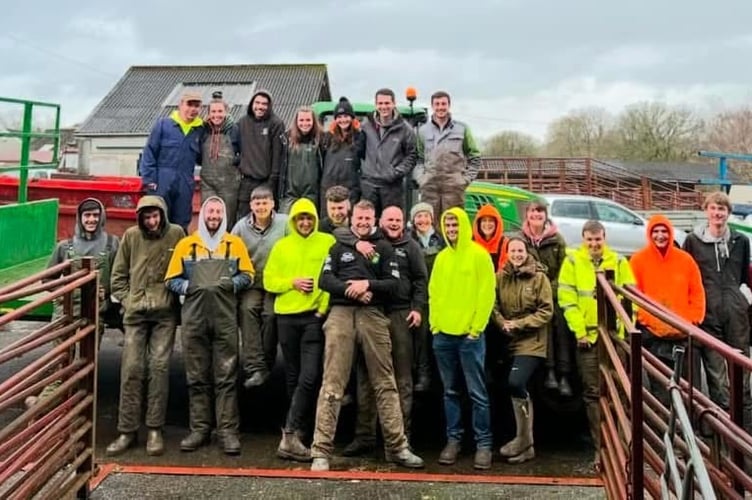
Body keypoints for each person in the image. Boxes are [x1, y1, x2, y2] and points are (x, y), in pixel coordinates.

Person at [310, 200, 424, 472]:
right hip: (340, 314)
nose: (362, 222)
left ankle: (397, 448)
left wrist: (368, 285)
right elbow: (324, 280)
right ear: (352, 219)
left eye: (367, 218)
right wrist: (351, 289)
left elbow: (395, 284)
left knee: (385, 382)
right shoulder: (338, 247)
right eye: (358, 218)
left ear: (374, 220)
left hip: (373, 316)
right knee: (332, 383)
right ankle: (321, 450)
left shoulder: (384, 248)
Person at [165, 196, 254, 455]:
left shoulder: (234, 244)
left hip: (225, 318)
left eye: (218, 211)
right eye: (210, 211)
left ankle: (227, 432)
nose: (213, 215)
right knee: (196, 377)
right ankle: (199, 430)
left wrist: (230, 284)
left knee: (226, 376)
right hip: (194, 318)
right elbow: (171, 279)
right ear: (202, 214)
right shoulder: (187, 244)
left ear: (223, 215)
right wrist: (189, 286)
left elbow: (248, 275)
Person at [343, 205, 428, 456]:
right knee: (366, 377)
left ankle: (402, 440)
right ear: (381, 221)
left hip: (401, 314)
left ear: (404, 222)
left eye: (398, 220)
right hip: (374, 312)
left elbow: (421, 280)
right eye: (389, 219)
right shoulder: (370, 242)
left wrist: (418, 308)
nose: (393, 223)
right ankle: (365, 436)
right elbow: (342, 232)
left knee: (402, 378)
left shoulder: (410, 246)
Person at [106, 195, 185, 457]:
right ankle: (126, 430)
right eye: (147, 217)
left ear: (162, 214)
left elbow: (185, 268)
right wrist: (129, 301)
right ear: (140, 218)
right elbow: (117, 277)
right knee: (131, 369)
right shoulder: (131, 237)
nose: (152, 221)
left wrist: (174, 297)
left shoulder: (176, 233)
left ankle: (154, 429)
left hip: (164, 313)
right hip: (136, 313)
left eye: (155, 216)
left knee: (159, 369)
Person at [26, 197, 120, 407]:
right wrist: (63, 293)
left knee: (86, 364)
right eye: (87, 215)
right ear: (79, 218)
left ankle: (66, 406)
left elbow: (120, 277)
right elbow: (48, 280)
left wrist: (108, 294)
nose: (91, 219)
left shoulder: (113, 244)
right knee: (61, 363)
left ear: (101, 217)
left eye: (95, 215)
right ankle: (46, 406)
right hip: (65, 315)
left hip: (94, 314)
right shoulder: (65, 247)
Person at [558, 220, 635, 467]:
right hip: (588, 338)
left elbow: (630, 298)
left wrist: (623, 332)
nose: (594, 244)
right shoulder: (572, 262)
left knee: (619, 393)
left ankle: (622, 447)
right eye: (589, 240)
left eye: (598, 239)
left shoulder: (620, 262)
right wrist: (579, 331)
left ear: (604, 238)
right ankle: (600, 448)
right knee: (592, 394)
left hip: (614, 337)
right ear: (583, 239)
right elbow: (567, 299)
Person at [263, 198, 335, 462]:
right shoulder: (282, 246)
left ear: (315, 219)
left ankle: (289, 430)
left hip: (313, 318)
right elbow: (269, 279)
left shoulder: (326, 242)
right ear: (293, 220)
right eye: (300, 219)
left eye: (309, 218)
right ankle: (298, 432)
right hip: (286, 318)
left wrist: (321, 310)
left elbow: (332, 277)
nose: (305, 223)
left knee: (310, 376)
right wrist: (291, 282)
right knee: (293, 377)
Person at [429, 207, 496, 470]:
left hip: (470, 336)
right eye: (448, 227)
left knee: (477, 392)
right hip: (443, 335)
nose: (452, 231)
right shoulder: (442, 258)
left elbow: (486, 293)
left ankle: (484, 444)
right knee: (450, 391)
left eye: (456, 226)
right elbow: (433, 292)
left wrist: (476, 328)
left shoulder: (479, 256)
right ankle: (453, 440)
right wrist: (435, 325)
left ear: (465, 227)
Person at [683, 191, 752, 432]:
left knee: (742, 366)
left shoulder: (741, 241)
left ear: (728, 213)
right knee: (715, 369)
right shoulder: (693, 241)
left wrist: (740, 300)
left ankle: (743, 426)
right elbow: (688, 275)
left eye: (722, 209)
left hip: (735, 310)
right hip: (708, 309)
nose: (717, 213)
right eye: (713, 208)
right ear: (706, 211)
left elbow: (743, 275)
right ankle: (720, 426)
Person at [630, 215, 705, 406]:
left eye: (664, 231)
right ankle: (662, 431)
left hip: (683, 334)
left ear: (670, 233)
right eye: (656, 231)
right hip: (653, 335)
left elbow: (696, 292)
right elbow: (634, 297)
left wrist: (693, 320)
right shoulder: (638, 261)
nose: (660, 235)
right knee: (660, 390)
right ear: (649, 233)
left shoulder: (685, 260)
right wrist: (650, 321)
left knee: (688, 389)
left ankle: (690, 430)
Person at [491, 236, 553, 464]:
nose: (516, 255)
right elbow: (493, 304)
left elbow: (546, 311)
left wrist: (518, 324)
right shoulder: (501, 277)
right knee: (509, 387)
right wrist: (502, 323)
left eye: (520, 251)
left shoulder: (539, 278)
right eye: (512, 251)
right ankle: (526, 446)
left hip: (532, 340)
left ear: (526, 252)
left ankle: (523, 439)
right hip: (508, 340)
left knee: (516, 382)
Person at [231, 185, 288, 388]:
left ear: (273, 204)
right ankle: (254, 367)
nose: (261, 207)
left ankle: (267, 363)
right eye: (257, 203)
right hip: (252, 282)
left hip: (276, 281)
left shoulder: (285, 223)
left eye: (265, 202)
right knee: (247, 310)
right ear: (251, 205)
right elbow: (231, 255)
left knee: (271, 315)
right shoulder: (240, 227)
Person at [517, 200, 571, 396]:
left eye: (540, 213)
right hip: (531, 295)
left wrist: (550, 290)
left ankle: (564, 373)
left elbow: (564, 270)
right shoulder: (521, 239)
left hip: (554, 292)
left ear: (545, 216)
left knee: (560, 324)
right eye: (533, 212)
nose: (536, 216)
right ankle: (548, 371)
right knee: (543, 324)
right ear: (527, 215)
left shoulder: (557, 240)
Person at [140, 90, 204, 232]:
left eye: (197, 106)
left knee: (181, 223)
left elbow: (203, 157)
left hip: (185, 182)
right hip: (161, 182)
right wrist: (149, 180)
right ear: (180, 105)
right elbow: (149, 152)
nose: (193, 109)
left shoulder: (200, 130)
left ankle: (178, 252)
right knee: (158, 221)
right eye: (190, 104)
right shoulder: (164, 125)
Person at [414, 91, 482, 219]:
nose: (440, 107)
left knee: (453, 225)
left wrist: (464, 180)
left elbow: (475, 157)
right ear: (432, 106)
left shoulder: (462, 129)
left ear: (449, 105)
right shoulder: (423, 131)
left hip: (454, 188)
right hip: (429, 188)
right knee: (429, 225)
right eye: (437, 104)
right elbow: (419, 159)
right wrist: (421, 179)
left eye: (443, 104)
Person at [358, 88, 417, 215]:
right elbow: (359, 150)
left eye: (387, 103)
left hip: (391, 187)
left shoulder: (405, 129)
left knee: (391, 223)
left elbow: (411, 156)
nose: (383, 107)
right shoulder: (365, 125)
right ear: (376, 104)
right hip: (369, 186)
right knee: (368, 223)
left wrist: (396, 172)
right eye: (380, 103)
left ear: (394, 104)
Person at [235, 89, 286, 221]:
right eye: (257, 102)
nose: (260, 107)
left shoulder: (276, 123)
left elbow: (277, 154)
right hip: (246, 181)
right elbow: (234, 146)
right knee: (243, 219)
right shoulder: (242, 123)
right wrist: (239, 162)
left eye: (264, 104)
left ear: (269, 106)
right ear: (252, 104)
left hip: (266, 181)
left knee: (266, 219)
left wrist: (272, 181)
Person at [199, 91, 241, 229]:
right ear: (209, 113)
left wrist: (235, 161)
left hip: (229, 185)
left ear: (226, 112)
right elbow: (198, 154)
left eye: (220, 111)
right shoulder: (203, 130)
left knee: (228, 222)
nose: (216, 115)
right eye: (213, 111)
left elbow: (244, 152)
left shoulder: (234, 129)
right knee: (208, 219)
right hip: (208, 184)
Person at [278, 106, 323, 213]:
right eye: (301, 120)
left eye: (308, 120)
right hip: (289, 195)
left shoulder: (321, 140)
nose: (305, 123)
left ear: (314, 121)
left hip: (312, 195)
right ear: (296, 121)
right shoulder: (285, 140)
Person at [321, 97, 362, 207]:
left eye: (346, 116)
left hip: (350, 192)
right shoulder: (327, 138)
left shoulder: (359, 138)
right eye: (339, 117)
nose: (343, 120)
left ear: (352, 118)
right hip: (328, 190)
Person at [472, 203, 508, 272]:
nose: (487, 224)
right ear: (479, 223)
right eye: (484, 220)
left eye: (490, 220)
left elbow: (504, 271)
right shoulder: (472, 242)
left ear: (497, 223)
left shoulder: (504, 243)